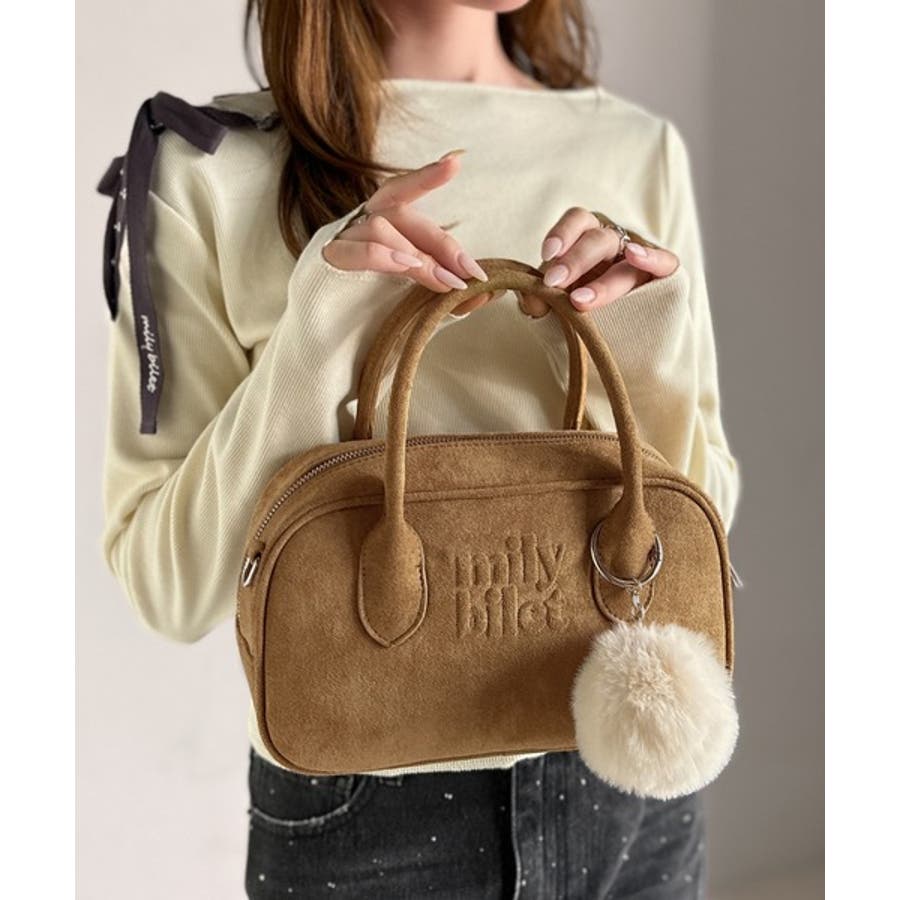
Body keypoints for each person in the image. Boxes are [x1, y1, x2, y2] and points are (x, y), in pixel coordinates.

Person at [98, 0, 741, 896]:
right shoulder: (206, 164)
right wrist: (316, 337)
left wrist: (638, 346)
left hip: (627, 774)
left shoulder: (635, 147)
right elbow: (169, 587)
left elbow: (701, 530)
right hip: (360, 812)